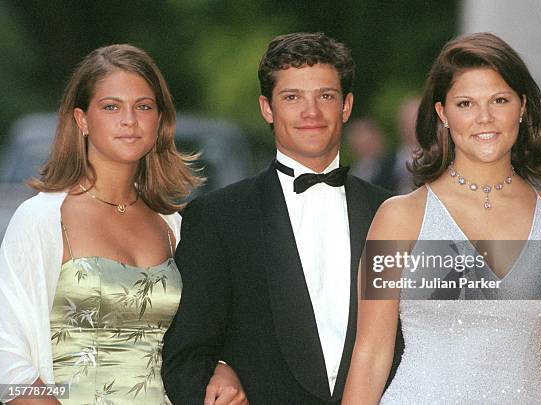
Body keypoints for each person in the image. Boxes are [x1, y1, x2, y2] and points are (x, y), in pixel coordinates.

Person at [342, 32, 541, 404]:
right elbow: (370, 355)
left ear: (522, 107)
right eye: (466, 104)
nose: (484, 118)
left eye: (499, 100)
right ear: (443, 113)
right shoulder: (400, 217)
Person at [162, 32, 402, 405]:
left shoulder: (394, 214)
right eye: (293, 97)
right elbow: (185, 358)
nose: (311, 112)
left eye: (325, 96)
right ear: (267, 108)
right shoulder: (217, 219)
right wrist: (217, 374)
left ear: (347, 106)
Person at [0, 44, 200, 404]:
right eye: (111, 106)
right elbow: (6, 355)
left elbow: (196, 343)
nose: (130, 120)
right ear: (82, 120)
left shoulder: (173, 224)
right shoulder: (42, 219)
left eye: (144, 106)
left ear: (159, 120)